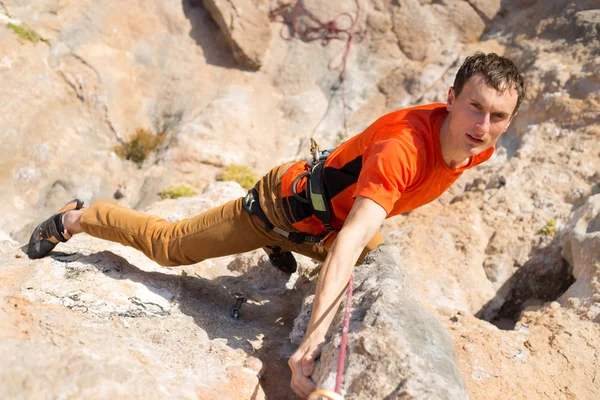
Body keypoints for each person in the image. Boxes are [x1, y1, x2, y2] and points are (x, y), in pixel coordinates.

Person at [27, 52, 525, 399]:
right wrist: (310, 344)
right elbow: (349, 244)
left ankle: (286, 251)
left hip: (325, 222)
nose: (482, 126)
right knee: (168, 246)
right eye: (474, 106)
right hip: (277, 208)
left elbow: (356, 232)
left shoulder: (476, 146)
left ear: (509, 120)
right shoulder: (405, 149)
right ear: (451, 96)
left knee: (371, 243)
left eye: (497, 116)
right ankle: (79, 216)